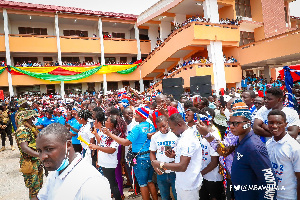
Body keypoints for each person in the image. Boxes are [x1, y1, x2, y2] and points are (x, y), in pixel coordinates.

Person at [35, 123, 111, 200]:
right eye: (39, 151)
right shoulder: (56, 172)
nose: (43, 156)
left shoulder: (91, 182)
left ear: (68, 145)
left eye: (49, 149)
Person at [102, 106, 158, 200]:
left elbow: (125, 142)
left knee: (142, 184)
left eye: (136, 114)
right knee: (150, 182)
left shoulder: (137, 128)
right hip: (150, 156)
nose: (134, 115)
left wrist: (110, 134)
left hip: (140, 159)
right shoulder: (150, 126)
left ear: (142, 116)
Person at [229, 99, 277, 200]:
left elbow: (269, 181)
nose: (231, 126)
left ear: (248, 123)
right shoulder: (241, 141)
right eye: (230, 122)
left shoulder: (253, 147)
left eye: (236, 123)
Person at [151, 113, 202, 200]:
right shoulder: (183, 136)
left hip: (189, 184)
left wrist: (160, 164)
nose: (172, 131)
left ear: (179, 124)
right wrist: (175, 156)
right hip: (183, 182)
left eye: (173, 128)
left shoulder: (188, 140)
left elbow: (182, 166)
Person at [266, 110, 300, 200]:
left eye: (279, 123)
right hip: (271, 195)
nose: (274, 126)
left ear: (286, 124)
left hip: (288, 197)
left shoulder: (294, 147)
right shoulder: (269, 144)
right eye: (271, 123)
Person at [89, 113, 123, 200]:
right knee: (109, 184)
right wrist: (96, 134)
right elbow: (102, 142)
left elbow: (112, 150)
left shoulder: (115, 134)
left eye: (107, 121)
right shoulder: (106, 131)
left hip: (109, 162)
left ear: (111, 124)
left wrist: (97, 147)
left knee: (112, 184)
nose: (105, 122)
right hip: (103, 161)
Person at [15, 110, 43, 199]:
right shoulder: (22, 130)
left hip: (36, 161)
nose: (34, 118)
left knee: (39, 186)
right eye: (33, 117)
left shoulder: (31, 128)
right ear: (28, 118)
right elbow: (24, 148)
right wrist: (40, 155)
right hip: (30, 163)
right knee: (34, 189)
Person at [150, 115, 178, 200]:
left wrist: (174, 155)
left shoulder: (175, 134)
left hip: (175, 170)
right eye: (159, 127)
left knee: (177, 195)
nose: (162, 129)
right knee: (164, 196)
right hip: (161, 170)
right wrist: (154, 165)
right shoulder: (155, 136)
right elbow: (152, 152)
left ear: (168, 123)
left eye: (164, 126)